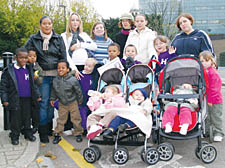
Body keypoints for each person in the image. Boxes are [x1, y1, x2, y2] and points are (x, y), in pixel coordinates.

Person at [24, 16, 67, 143]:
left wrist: (63, 72)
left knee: (51, 104)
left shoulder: (58, 38)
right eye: (44, 23)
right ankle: (42, 131)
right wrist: (34, 67)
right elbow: (25, 54)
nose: (47, 26)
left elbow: (63, 56)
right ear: (40, 25)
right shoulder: (33, 38)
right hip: (42, 76)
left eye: (49, 23)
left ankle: (49, 128)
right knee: (43, 102)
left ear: (52, 25)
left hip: (56, 75)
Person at [0, 48, 41, 145]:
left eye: (26, 58)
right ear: (15, 58)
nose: (23, 60)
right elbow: (3, 87)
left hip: (28, 98)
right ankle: (15, 135)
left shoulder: (29, 68)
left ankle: (28, 133)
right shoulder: (9, 70)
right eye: (21, 58)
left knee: (27, 117)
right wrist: (4, 99)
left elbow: (33, 84)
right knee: (15, 118)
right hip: (15, 98)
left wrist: (37, 95)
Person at [50, 60, 83, 144]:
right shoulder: (55, 80)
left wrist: (80, 100)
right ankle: (57, 134)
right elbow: (53, 91)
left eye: (63, 68)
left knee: (76, 118)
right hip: (62, 103)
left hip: (73, 102)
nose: (60, 69)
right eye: (58, 68)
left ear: (68, 69)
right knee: (61, 119)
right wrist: (52, 99)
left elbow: (78, 91)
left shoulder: (73, 80)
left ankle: (78, 133)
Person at [61, 12, 97, 79]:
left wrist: (80, 45)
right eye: (73, 20)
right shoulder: (64, 35)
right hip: (72, 66)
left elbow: (94, 46)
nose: (75, 22)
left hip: (85, 66)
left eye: (77, 20)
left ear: (80, 22)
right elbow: (65, 53)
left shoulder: (83, 35)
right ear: (69, 22)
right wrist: (74, 69)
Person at [199, 51, 224, 142]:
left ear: (211, 61)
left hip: (215, 100)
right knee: (207, 116)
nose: (203, 63)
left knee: (216, 117)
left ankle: (218, 133)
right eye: (201, 61)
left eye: (206, 61)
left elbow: (215, 89)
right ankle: (208, 131)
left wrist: (210, 100)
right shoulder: (205, 71)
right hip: (207, 99)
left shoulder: (212, 73)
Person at [78, 58, 98, 134]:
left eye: (89, 66)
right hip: (82, 98)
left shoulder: (93, 76)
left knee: (90, 114)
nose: (86, 67)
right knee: (82, 113)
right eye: (85, 65)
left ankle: (91, 127)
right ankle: (84, 128)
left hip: (91, 99)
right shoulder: (80, 74)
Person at [27, 48, 43, 133]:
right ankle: (26, 126)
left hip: (35, 92)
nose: (32, 58)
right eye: (30, 56)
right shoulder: (25, 66)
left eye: (34, 56)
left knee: (35, 111)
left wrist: (37, 78)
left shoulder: (37, 67)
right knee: (26, 111)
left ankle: (35, 126)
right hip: (26, 93)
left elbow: (41, 80)